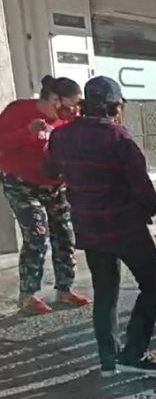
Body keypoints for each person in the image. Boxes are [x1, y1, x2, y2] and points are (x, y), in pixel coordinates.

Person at [44, 76, 156, 375]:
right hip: (125, 226)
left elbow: (48, 171)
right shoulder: (118, 138)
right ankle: (133, 354)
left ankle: (108, 360)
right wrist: (145, 211)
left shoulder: (62, 136)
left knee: (105, 292)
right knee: (154, 285)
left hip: (89, 226)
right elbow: (143, 190)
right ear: (115, 106)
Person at [0, 75, 91, 315]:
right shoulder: (18, 111)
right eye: (70, 105)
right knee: (38, 231)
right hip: (21, 184)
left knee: (65, 232)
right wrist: (26, 133)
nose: (73, 111)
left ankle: (64, 289)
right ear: (53, 99)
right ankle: (27, 295)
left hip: (54, 184)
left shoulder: (68, 122)